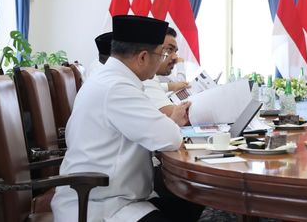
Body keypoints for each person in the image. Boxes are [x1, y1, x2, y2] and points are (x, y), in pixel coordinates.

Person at [51, 15, 201, 222]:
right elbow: (170, 138)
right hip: (102, 206)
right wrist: (172, 123)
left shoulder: (110, 79)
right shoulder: (117, 88)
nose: (162, 60)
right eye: (161, 53)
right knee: (189, 199)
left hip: (111, 196)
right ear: (142, 57)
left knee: (188, 202)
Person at [143, 27, 190, 116]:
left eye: (175, 51)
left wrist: (171, 86)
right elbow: (176, 115)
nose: (175, 57)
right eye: (169, 49)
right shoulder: (146, 78)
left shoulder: (154, 76)